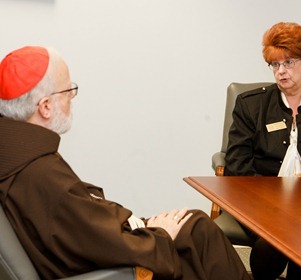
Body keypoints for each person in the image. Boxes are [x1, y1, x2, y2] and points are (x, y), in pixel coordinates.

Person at [0, 46, 250, 280]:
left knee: (194, 225)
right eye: (68, 91)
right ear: (45, 107)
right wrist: (158, 234)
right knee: (198, 231)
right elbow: (95, 239)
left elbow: (80, 223)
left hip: (95, 253)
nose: (72, 98)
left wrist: (139, 224)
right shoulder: (39, 171)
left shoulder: (19, 153)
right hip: (107, 270)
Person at [224, 22, 301, 279]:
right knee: (277, 242)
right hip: (258, 206)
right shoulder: (250, 105)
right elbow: (237, 164)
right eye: (275, 65)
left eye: (288, 63)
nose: (281, 71)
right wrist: (272, 205)